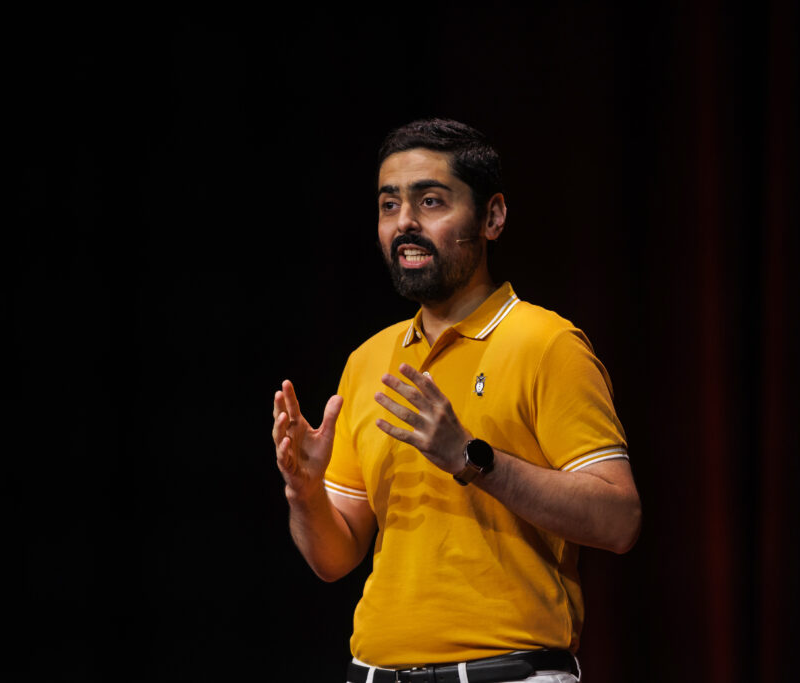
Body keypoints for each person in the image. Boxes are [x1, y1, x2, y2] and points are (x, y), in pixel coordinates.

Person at [271, 118, 641, 683]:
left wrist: (471, 458)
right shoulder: (369, 360)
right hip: (373, 672)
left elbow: (619, 520)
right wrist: (303, 490)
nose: (406, 223)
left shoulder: (547, 344)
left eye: (432, 201)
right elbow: (334, 558)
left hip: (508, 672)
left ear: (492, 217)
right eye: (389, 205)